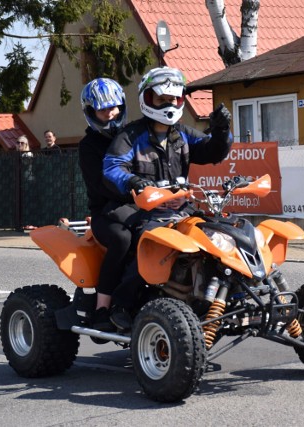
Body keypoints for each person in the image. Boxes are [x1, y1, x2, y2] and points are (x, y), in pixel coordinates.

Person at [103, 66, 233, 329]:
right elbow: (112, 166)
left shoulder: (183, 134)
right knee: (150, 247)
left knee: (218, 238)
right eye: (161, 99)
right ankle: (122, 305)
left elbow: (213, 152)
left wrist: (221, 131)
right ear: (147, 99)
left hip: (181, 210)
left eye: (173, 99)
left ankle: (217, 297)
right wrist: (134, 181)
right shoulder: (131, 135)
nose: (168, 104)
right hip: (145, 211)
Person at [78, 77, 132, 331]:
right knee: (123, 239)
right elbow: (100, 186)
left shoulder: (133, 135)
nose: (111, 114)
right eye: (103, 109)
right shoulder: (88, 146)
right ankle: (104, 307)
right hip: (104, 213)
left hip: (141, 206)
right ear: (91, 112)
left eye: (114, 107)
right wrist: (134, 188)